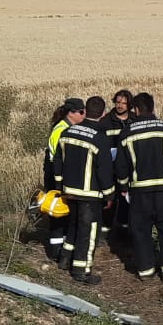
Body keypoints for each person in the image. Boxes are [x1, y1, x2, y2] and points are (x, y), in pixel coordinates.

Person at [112, 92, 163, 280]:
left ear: (136, 110)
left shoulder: (127, 133)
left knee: (141, 231)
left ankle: (145, 271)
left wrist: (122, 187)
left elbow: (121, 166)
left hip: (139, 193)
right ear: (152, 107)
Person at [55, 96, 114, 285]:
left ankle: (65, 259)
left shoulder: (67, 132)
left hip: (69, 190)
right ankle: (82, 269)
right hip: (90, 193)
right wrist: (109, 193)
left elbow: (58, 161)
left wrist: (59, 185)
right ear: (103, 114)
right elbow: (103, 169)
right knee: (88, 231)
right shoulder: (100, 138)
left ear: (85, 111)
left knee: (73, 224)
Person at [42, 99, 84, 262]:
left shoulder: (66, 127)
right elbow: (59, 157)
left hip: (59, 174)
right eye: (81, 112)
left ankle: (61, 249)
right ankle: (55, 251)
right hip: (56, 175)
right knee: (58, 213)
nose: (84, 115)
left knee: (64, 214)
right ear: (71, 113)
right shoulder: (61, 130)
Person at [99, 89, 134, 242]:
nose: (120, 105)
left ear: (130, 105)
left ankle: (124, 231)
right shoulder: (105, 122)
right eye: (117, 102)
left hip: (130, 169)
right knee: (109, 201)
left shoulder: (135, 120)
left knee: (126, 200)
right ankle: (104, 232)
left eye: (123, 103)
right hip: (111, 169)